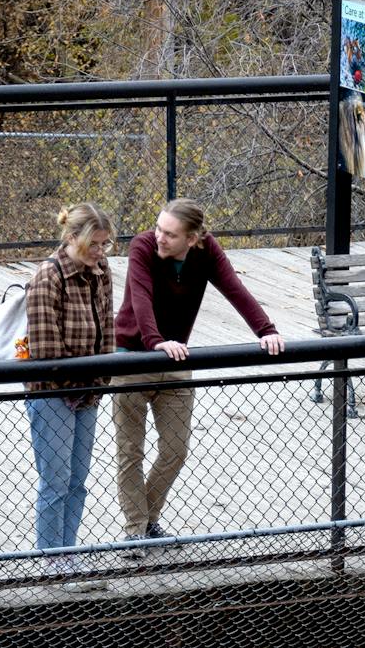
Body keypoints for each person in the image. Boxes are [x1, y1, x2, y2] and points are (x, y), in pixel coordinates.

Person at [114, 196, 284, 541]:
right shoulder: (143, 246)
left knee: (176, 450)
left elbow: (235, 289)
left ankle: (147, 519)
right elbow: (140, 295)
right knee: (130, 451)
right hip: (133, 355)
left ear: (192, 239)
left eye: (170, 234)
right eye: (159, 228)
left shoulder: (207, 251)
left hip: (176, 360)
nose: (159, 237)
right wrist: (155, 340)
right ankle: (136, 530)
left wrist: (266, 330)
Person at [23, 204, 116, 555]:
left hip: (90, 388)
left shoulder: (101, 270)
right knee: (56, 479)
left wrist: (101, 380)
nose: (100, 251)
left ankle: (68, 554)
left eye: (105, 244)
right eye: (94, 244)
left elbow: (107, 327)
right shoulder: (48, 276)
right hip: (52, 391)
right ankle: (50, 557)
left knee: (78, 480)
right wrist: (76, 386)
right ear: (72, 238)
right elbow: (46, 348)